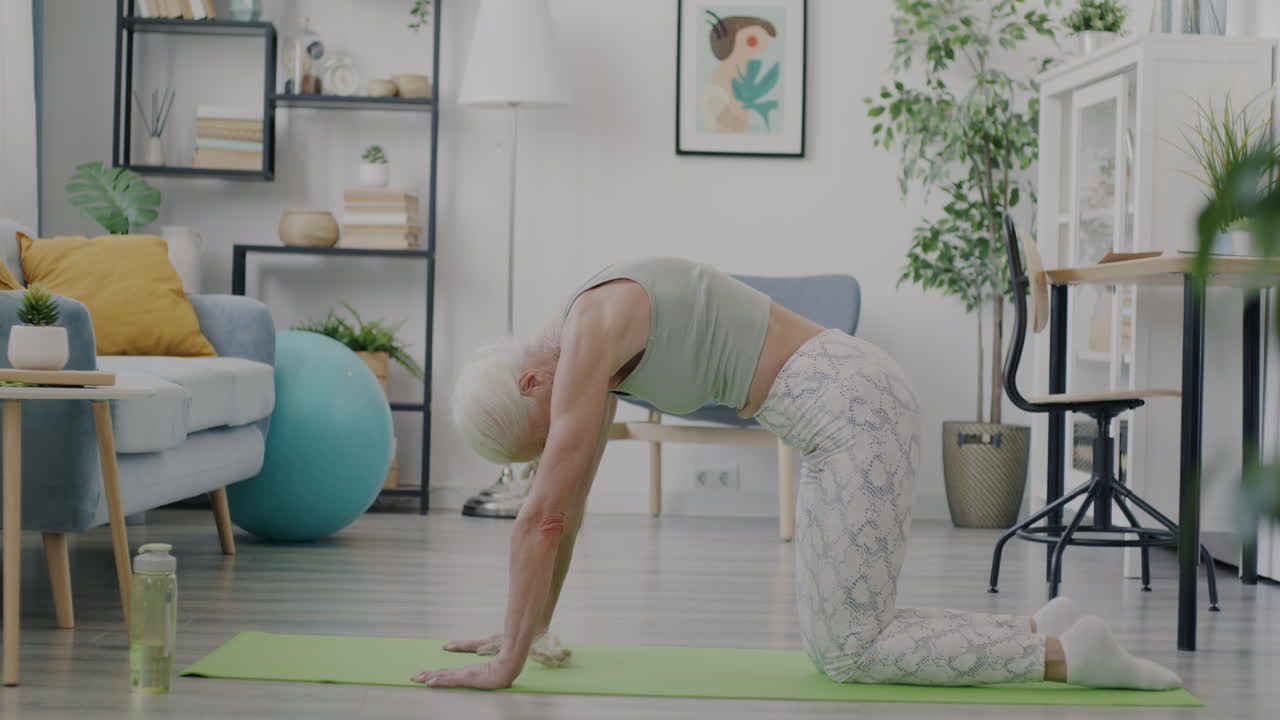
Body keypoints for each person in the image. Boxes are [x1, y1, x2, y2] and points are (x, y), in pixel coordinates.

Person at [411, 257, 1181, 691]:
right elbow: (566, 509)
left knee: (848, 650)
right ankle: (1038, 629)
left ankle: (1067, 660)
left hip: (856, 408)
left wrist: (507, 663)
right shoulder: (592, 335)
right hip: (835, 419)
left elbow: (541, 513)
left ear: (529, 388)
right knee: (837, 642)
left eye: (540, 441)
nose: (553, 454)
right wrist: (529, 626)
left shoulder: (591, 329)